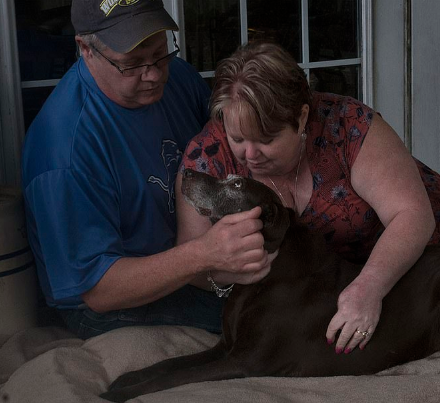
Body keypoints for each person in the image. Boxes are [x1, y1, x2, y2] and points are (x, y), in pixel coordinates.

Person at [177, 41, 440, 355]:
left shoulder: (347, 126)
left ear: (301, 118)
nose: (249, 154)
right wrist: (229, 273)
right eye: (238, 138)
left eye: (267, 139)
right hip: (332, 284)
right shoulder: (207, 156)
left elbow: (413, 216)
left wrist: (367, 289)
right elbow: (192, 259)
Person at [21, 0, 273, 339]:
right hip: (112, 298)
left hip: (191, 251)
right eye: (132, 63)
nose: (154, 74)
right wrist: (204, 253)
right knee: (266, 319)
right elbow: (99, 291)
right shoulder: (64, 149)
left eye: (159, 52)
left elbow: (233, 148)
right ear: (85, 48)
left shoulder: (177, 77)